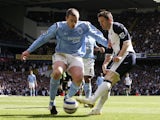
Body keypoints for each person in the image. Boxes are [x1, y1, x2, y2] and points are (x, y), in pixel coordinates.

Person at [21, 8, 108, 115]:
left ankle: (67, 97)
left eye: (76, 21)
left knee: (79, 78)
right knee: (57, 72)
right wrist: (29, 50)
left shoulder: (85, 26)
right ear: (66, 18)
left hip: (76, 56)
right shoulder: (58, 27)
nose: (74, 23)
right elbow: (43, 38)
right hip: (61, 55)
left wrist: (109, 44)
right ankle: (51, 103)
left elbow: (98, 36)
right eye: (71, 20)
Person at [76, 10, 136, 115]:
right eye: (99, 22)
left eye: (102, 21)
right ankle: (98, 109)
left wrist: (120, 55)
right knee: (107, 83)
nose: (101, 24)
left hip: (127, 56)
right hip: (121, 58)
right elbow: (109, 52)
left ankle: (92, 100)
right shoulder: (108, 34)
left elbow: (127, 43)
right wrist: (105, 64)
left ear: (110, 20)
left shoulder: (117, 27)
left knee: (107, 80)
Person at [81, 35, 105, 107]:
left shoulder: (92, 38)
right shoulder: (79, 36)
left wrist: (99, 49)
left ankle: (88, 99)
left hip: (89, 60)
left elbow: (94, 47)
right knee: (78, 79)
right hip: (80, 59)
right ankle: (69, 97)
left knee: (87, 79)